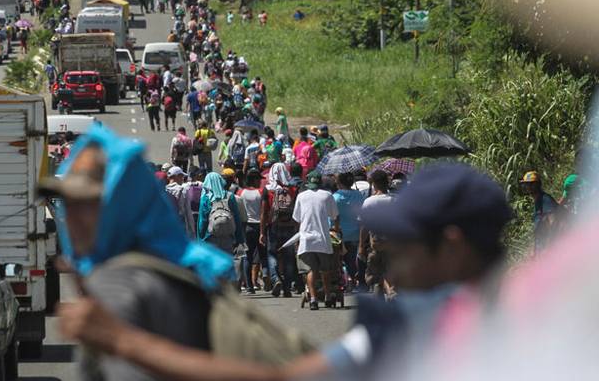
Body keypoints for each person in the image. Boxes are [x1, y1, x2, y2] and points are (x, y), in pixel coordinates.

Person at [58, 163, 512, 381]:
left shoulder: (411, 326)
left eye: (407, 243)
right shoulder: (554, 318)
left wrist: (121, 340)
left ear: (452, 247)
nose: (395, 256)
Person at [40, 124, 234, 381]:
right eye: (69, 203)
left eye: (88, 204)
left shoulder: (117, 283)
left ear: (124, 206)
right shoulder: (179, 267)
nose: (73, 217)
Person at [292, 171, 339, 310]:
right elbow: (335, 216)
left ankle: (313, 300)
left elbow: (297, 218)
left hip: (306, 239)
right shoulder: (327, 195)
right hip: (323, 239)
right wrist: (336, 229)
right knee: (326, 271)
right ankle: (328, 296)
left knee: (311, 271)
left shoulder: (301, 196)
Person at [260, 163, 299, 298]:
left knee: (272, 254)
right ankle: (287, 288)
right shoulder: (293, 189)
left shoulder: (268, 189)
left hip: (273, 226)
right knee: (289, 257)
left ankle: (276, 279)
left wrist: (262, 232)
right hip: (289, 227)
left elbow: (264, 213)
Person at [359, 170, 393, 292]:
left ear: (374, 184)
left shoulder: (369, 201)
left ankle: (389, 293)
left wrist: (361, 246)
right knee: (390, 273)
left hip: (376, 244)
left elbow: (364, 226)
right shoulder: (396, 200)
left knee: (375, 276)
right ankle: (390, 293)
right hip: (394, 244)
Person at [333, 172, 366, 289]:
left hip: (339, 235)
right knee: (353, 260)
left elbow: (332, 217)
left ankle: (346, 281)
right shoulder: (358, 195)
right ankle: (355, 280)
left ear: (339, 182)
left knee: (339, 261)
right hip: (356, 233)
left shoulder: (335, 197)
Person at [198, 172, 245, 254]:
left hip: (211, 237)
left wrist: (200, 239)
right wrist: (239, 238)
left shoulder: (206, 198)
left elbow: (203, 221)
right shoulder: (230, 196)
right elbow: (237, 218)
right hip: (228, 237)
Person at [519, 171, 563, 253]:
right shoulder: (538, 201)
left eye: (531, 184)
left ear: (537, 184)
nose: (528, 187)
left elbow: (554, 222)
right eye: (527, 184)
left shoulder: (545, 200)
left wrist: (549, 247)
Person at [237, 169, 265, 294]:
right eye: (259, 179)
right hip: (260, 226)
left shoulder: (240, 192)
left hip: (246, 227)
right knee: (264, 255)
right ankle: (269, 279)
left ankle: (249, 286)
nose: (260, 181)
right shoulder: (260, 192)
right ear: (254, 180)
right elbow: (264, 212)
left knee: (247, 257)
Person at [166, 166, 194, 235]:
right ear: (177, 176)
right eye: (182, 176)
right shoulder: (183, 190)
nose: (183, 179)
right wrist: (192, 231)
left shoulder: (164, 190)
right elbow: (188, 213)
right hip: (181, 228)